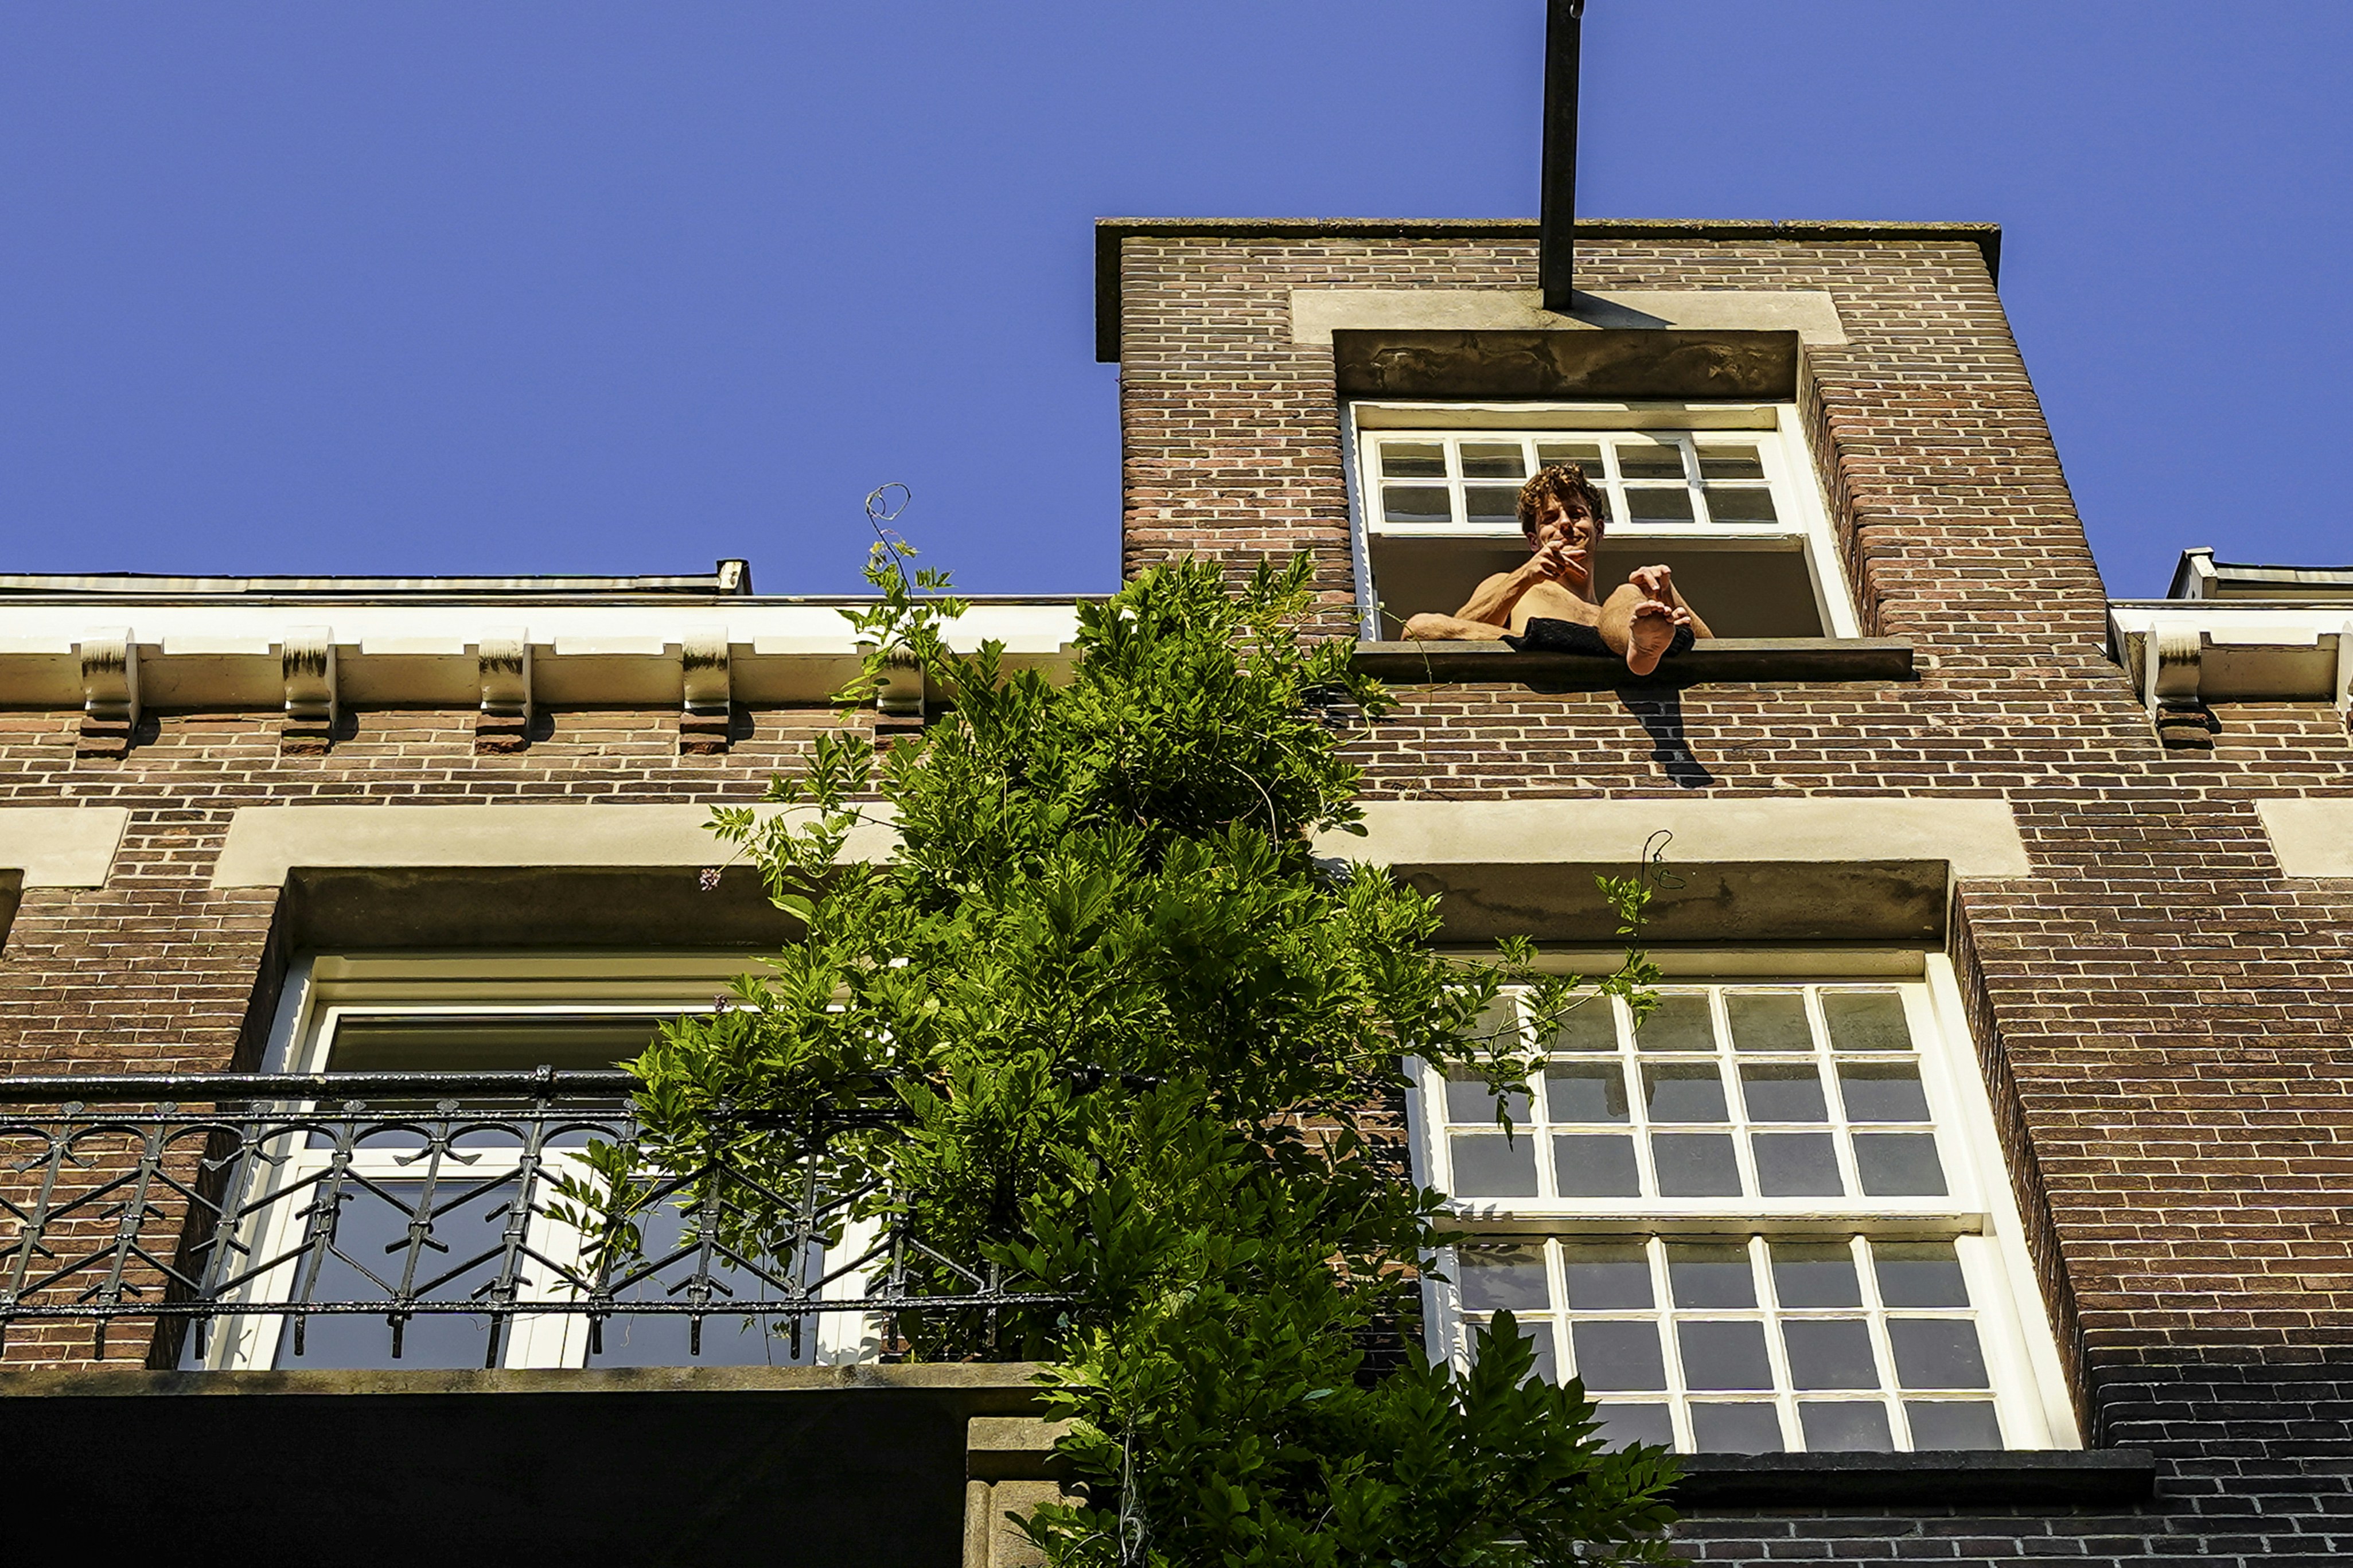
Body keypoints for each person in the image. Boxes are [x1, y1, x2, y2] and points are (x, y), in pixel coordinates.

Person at [1401, 463, 1711, 677]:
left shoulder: (1620, 606)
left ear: (1598, 529)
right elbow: (1440, 634)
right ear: (1534, 541)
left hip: (1624, 628)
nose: (1565, 523)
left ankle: (1640, 644)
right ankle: (1637, 647)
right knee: (1422, 624)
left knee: (1630, 590)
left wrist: (1666, 593)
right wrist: (1525, 576)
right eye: (1550, 519)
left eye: (1577, 514)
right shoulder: (1515, 586)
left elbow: (1720, 659)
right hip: (1544, 659)